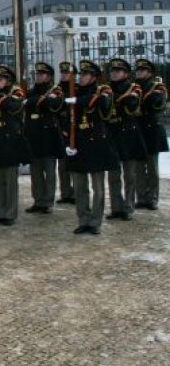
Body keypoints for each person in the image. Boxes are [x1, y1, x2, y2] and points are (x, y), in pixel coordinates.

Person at [65, 60, 118, 235]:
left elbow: (103, 102)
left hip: (97, 144)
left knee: (98, 188)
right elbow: (68, 120)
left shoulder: (103, 90)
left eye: (85, 74)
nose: (81, 77)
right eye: (80, 74)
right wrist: (68, 143)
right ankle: (83, 219)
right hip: (79, 144)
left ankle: (96, 221)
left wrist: (78, 101)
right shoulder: (74, 91)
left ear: (93, 77)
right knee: (80, 187)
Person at [0, 66, 31, 226]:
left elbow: (13, 105)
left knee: (10, 182)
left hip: (10, 141)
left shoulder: (16, 92)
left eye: (1, 79)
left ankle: (10, 214)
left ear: (9, 81)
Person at [106, 58, 146, 221]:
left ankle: (128, 207)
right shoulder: (106, 88)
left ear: (126, 73)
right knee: (113, 175)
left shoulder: (134, 88)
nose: (114, 73)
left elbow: (131, 103)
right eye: (112, 71)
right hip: (112, 134)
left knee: (129, 175)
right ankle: (116, 207)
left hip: (128, 135)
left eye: (118, 71)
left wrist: (113, 98)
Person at [24, 62, 65, 214]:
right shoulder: (31, 91)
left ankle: (47, 201)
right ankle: (38, 200)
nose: (38, 76)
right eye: (37, 74)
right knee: (35, 172)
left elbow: (53, 105)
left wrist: (36, 102)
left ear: (48, 77)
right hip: (33, 134)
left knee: (49, 171)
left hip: (48, 136)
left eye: (41, 74)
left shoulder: (55, 91)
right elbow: (26, 105)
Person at [133, 58, 167, 210]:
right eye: (138, 70)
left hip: (151, 130)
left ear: (150, 73)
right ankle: (141, 197)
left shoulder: (157, 87)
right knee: (139, 168)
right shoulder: (133, 87)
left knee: (152, 167)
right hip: (137, 130)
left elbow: (157, 104)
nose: (139, 72)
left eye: (143, 70)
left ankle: (152, 198)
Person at [56, 62, 77, 205]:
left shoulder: (77, 89)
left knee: (74, 164)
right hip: (60, 129)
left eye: (67, 73)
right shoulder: (56, 90)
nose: (64, 75)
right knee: (62, 166)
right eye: (62, 72)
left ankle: (76, 193)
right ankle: (65, 193)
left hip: (73, 130)